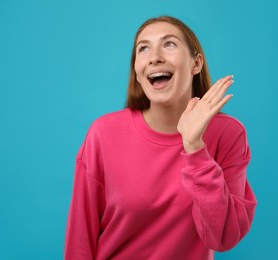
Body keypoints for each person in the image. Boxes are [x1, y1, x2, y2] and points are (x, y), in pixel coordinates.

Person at [64, 16, 257, 259]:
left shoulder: (227, 134)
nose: (155, 56)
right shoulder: (103, 133)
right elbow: (80, 236)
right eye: (143, 49)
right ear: (137, 71)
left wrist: (195, 148)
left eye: (169, 44)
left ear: (195, 63)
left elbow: (223, 237)